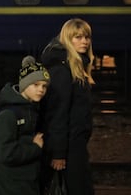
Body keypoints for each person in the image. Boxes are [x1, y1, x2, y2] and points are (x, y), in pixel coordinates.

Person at [38, 18, 95, 195]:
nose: (84, 41)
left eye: (86, 37)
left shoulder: (76, 67)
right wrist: (58, 153)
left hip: (75, 144)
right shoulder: (62, 71)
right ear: (67, 40)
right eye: (77, 37)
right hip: (68, 147)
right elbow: (57, 114)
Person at [0, 55, 50, 195]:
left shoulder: (30, 109)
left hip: (20, 181)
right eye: (36, 84)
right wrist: (35, 148)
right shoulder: (8, 115)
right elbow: (7, 154)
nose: (41, 90)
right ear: (24, 84)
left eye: (44, 86)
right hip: (7, 185)